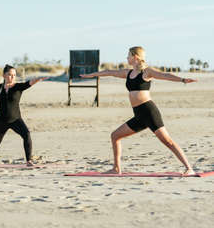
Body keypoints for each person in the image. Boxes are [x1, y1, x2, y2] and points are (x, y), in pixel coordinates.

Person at [80, 46, 196, 175]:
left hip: (149, 112)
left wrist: (183, 80)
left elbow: (164, 75)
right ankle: (116, 168)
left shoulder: (147, 72)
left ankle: (189, 168)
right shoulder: (128, 73)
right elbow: (109, 72)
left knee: (167, 141)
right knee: (115, 136)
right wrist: (91, 75)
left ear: (135, 57)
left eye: (128, 55)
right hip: (139, 115)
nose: (126, 58)